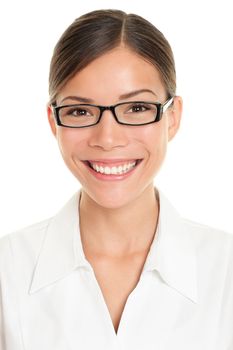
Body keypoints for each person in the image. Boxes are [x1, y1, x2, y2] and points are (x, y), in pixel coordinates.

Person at [0, 9, 233, 350]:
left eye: (136, 108)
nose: (107, 138)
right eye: (80, 111)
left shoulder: (226, 269)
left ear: (172, 118)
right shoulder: (7, 272)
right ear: (54, 122)